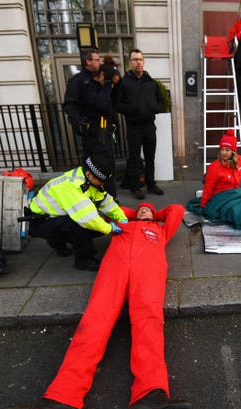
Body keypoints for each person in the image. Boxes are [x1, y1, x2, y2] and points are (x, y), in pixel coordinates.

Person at [4, 202, 191, 409]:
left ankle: (150, 395)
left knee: (149, 324)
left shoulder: (161, 229)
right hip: (114, 270)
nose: (143, 210)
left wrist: (153, 215)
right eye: (140, 209)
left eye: (147, 210)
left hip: (148, 273)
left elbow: (177, 210)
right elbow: (110, 209)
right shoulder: (120, 222)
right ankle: (62, 399)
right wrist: (133, 214)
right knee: (93, 323)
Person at [27, 154, 127, 271]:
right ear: (89, 174)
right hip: (39, 221)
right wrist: (109, 228)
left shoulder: (88, 180)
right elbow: (87, 219)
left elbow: (105, 202)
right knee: (79, 225)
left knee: (91, 226)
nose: (102, 185)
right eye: (101, 181)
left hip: (53, 217)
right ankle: (84, 260)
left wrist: (122, 218)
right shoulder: (71, 185)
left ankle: (57, 240)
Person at [63, 48, 117, 197]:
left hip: (105, 130)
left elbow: (106, 105)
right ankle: (94, 197)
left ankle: (110, 198)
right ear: (88, 61)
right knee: (93, 166)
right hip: (92, 132)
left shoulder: (100, 79)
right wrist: (79, 123)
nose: (99, 62)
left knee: (108, 164)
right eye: (96, 59)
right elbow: (69, 105)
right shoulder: (78, 81)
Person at [116, 49, 166, 200]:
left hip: (149, 126)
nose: (138, 62)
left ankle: (151, 184)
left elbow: (161, 102)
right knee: (135, 158)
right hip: (134, 127)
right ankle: (135, 186)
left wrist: (154, 108)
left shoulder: (151, 82)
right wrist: (133, 109)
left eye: (140, 59)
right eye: (135, 59)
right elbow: (117, 105)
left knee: (151, 157)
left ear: (143, 62)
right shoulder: (124, 82)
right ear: (130, 62)